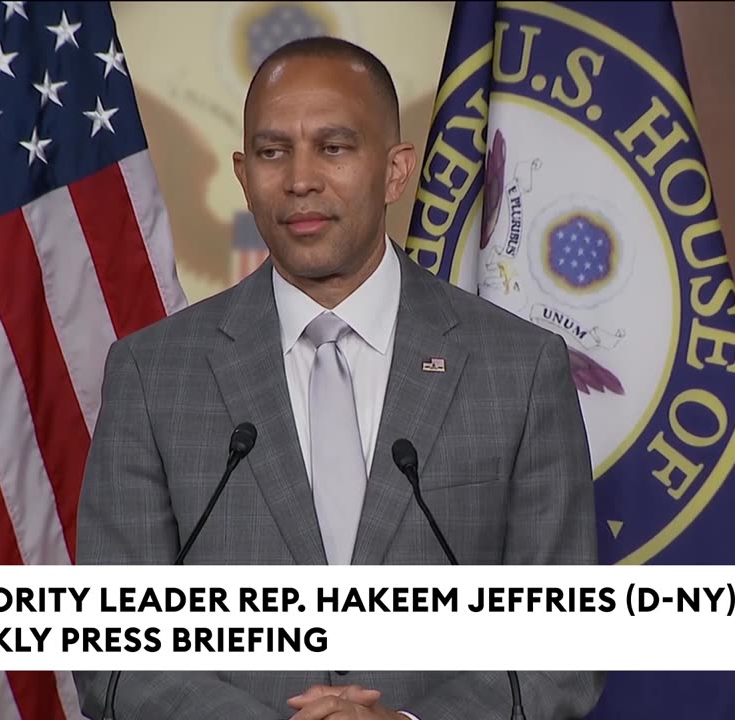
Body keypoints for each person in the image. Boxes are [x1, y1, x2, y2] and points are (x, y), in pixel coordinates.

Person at [74, 36, 602, 720]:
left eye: (334, 147)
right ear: (243, 173)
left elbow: (562, 651)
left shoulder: (519, 370)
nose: (299, 180)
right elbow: (113, 660)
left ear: (394, 171)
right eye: (272, 152)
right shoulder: (153, 376)